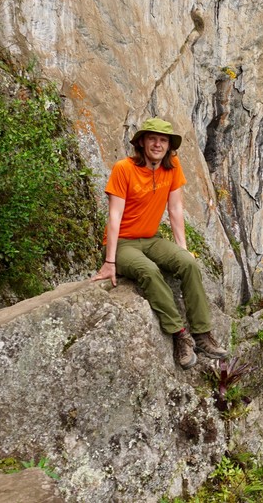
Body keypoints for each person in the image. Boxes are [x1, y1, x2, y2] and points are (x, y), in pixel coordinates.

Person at [92, 117, 228, 369]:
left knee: (188, 263)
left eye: (163, 140)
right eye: (152, 138)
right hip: (123, 243)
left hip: (152, 239)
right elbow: (114, 216)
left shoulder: (172, 167)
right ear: (141, 142)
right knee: (149, 271)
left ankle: (202, 334)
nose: (157, 144)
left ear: (169, 146)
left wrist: (182, 249)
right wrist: (110, 261)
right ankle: (180, 335)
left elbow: (175, 209)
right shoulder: (124, 169)